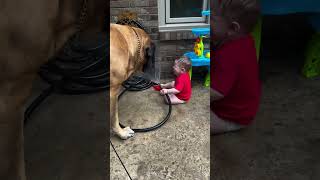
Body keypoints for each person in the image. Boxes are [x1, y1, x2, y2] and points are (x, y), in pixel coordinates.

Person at [211, 0, 261, 135]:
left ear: (232, 28)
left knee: (193, 118)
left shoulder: (228, 54)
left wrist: (192, 93)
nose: (204, 21)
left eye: (210, 18)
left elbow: (216, 92)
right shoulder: (245, 40)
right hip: (241, 109)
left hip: (230, 117)